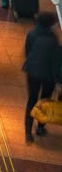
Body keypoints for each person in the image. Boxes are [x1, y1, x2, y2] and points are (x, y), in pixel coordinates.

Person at [24, 12, 59, 144]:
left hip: (32, 72)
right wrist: (58, 80)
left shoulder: (31, 33)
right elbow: (55, 62)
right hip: (48, 76)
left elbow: (27, 51)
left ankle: (28, 132)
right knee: (45, 100)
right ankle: (40, 127)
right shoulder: (53, 38)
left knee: (31, 100)